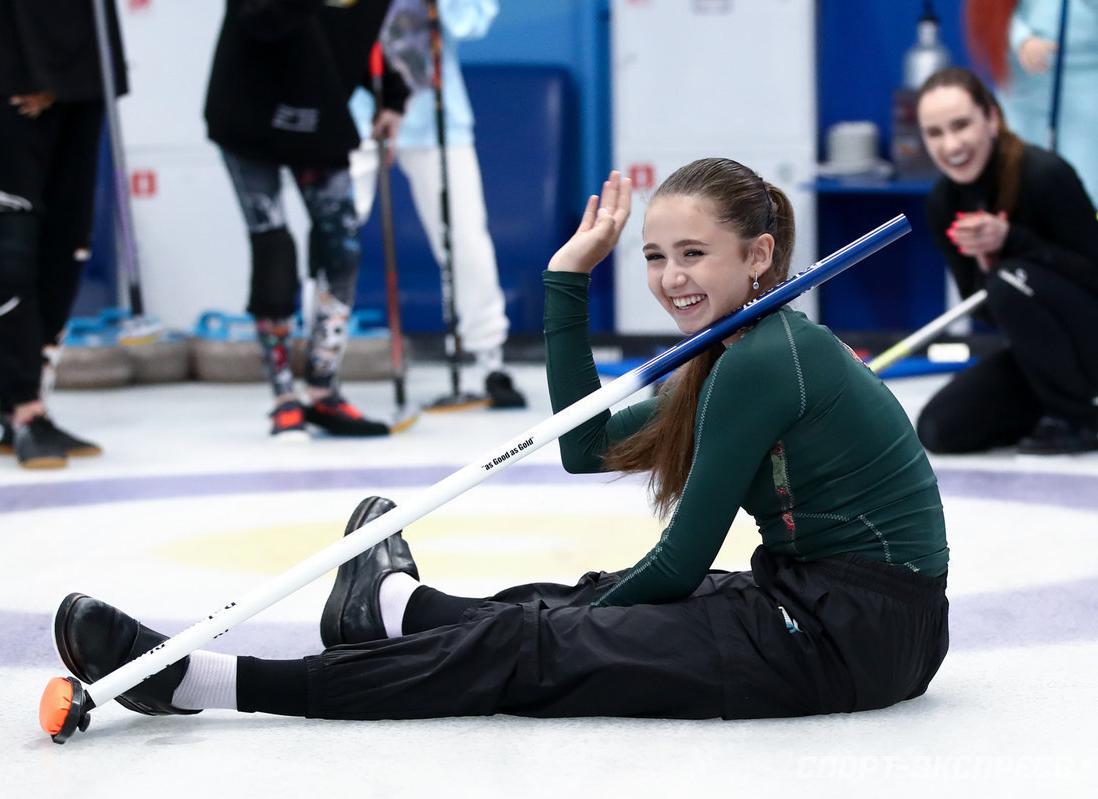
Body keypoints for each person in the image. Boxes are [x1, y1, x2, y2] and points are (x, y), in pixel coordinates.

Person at [53, 158, 949, 722]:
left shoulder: (767, 357)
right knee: (575, 598)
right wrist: (567, 281)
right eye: (653, 254)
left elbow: (677, 565)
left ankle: (199, 683)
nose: (669, 277)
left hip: (848, 633)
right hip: (831, 606)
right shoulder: (739, 351)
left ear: (757, 257)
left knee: (532, 645)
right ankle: (396, 610)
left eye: (693, 254)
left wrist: (555, 631)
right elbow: (583, 445)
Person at [204, 0, 410, 439]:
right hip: (249, 115)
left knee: (342, 250)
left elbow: (352, 36)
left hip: (321, 118)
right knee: (274, 246)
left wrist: (390, 94)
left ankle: (322, 390)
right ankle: (283, 397)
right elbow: (257, 18)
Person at [0, 0, 125, 469]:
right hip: (3, 75)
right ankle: (24, 408)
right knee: (12, 247)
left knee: (65, 249)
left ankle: (26, 405)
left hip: (81, 77)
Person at [348, 0, 526, 408]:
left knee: (465, 239)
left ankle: (489, 362)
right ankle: (317, 369)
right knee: (332, 237)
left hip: (437, 117)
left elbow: (472, 21)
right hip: (353, 114)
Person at [914, 66, 1098, 455]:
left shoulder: (1044, 175)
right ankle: (1055, 406)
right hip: (1045, 354)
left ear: (992, 119)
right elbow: (985, 313)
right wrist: (986, 264)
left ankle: (1078, 419)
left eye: (961, 125)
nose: (951, 145)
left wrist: (1013, 242)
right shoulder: (943, 204)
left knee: (1009, 279)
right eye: (935, 133)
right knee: (939, 429)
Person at [964, 0, 1098, 203]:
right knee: (1021, 173)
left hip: (1087, 82)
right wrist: (1022, 39)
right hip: (1026, 84)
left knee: (1087, 174)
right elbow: (994, 15)